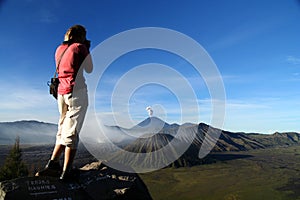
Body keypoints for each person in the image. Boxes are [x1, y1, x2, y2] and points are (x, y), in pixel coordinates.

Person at [45, 24, 93, 180]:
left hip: (61, 94)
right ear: (80, 36)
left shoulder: (59, 49)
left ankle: (53, 163)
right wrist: (86, 48)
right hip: (76, 91)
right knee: (72, 130)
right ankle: (67, 171)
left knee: (63, 127)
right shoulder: (80, 47)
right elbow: (90, 68)